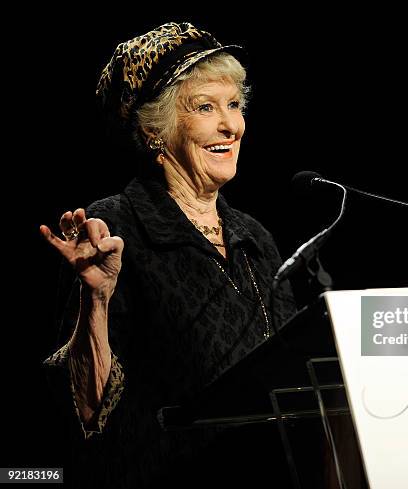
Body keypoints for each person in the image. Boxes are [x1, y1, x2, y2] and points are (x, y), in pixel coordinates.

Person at [39, 22, 296, 488]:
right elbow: (86, 411)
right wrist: (94, 301)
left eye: (235, 105)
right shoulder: (115, 227)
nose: (231, 125)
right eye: (206, 108)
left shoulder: (256, 238)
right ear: (156, 129)